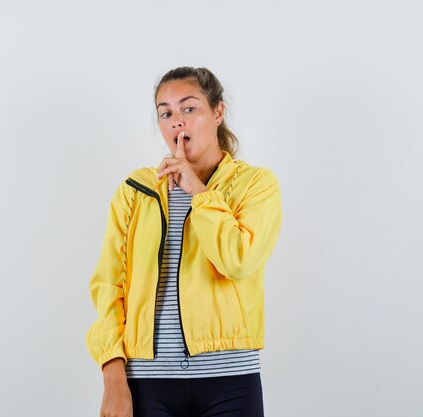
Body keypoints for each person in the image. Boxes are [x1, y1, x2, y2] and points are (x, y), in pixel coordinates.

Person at [85, 66, 283, 417]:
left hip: (230, 379)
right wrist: (112, 378)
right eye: (166, 113)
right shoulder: (136, 191)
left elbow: (238, 260)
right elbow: (108, 286)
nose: (177, 121)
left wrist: (198, 191)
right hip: (147, 382)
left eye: (189, 108)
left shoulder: (255, 185)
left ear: (217, 112)